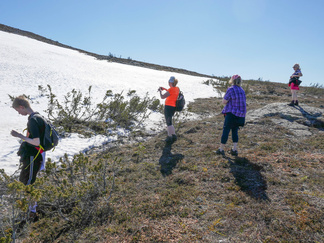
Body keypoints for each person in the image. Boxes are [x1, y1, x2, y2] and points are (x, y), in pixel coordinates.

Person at [11, 95, 46, 219]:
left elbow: (36, 142)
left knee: (29, 182)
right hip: (36, 154)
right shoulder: (37, 116)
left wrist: (20, 136)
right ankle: (32, 208)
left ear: (22, 107)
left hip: (34, 155)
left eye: (17, 110)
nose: (19, 113)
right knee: (25, 180)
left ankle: (32, 212)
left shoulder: (33, 120)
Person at [215, 75, 246, 156]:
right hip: (240, 115)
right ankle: (234, 149)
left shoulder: (231, 89)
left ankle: (221, 149)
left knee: (226, 130)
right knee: (235, 131)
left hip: (231, 113)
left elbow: (224, 101)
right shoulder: (242, 90)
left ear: (232, 80)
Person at [158, 76, 180, 143]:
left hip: (168, 107)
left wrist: (160, 91)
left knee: (169, 123)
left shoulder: (170, 90)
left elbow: (162, 97)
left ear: (170, 82)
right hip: (173, 107)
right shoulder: (177, 89)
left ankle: (173, 136)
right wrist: (164, 89)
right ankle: (170, 137)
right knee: (169, 122)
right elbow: (170, 92)